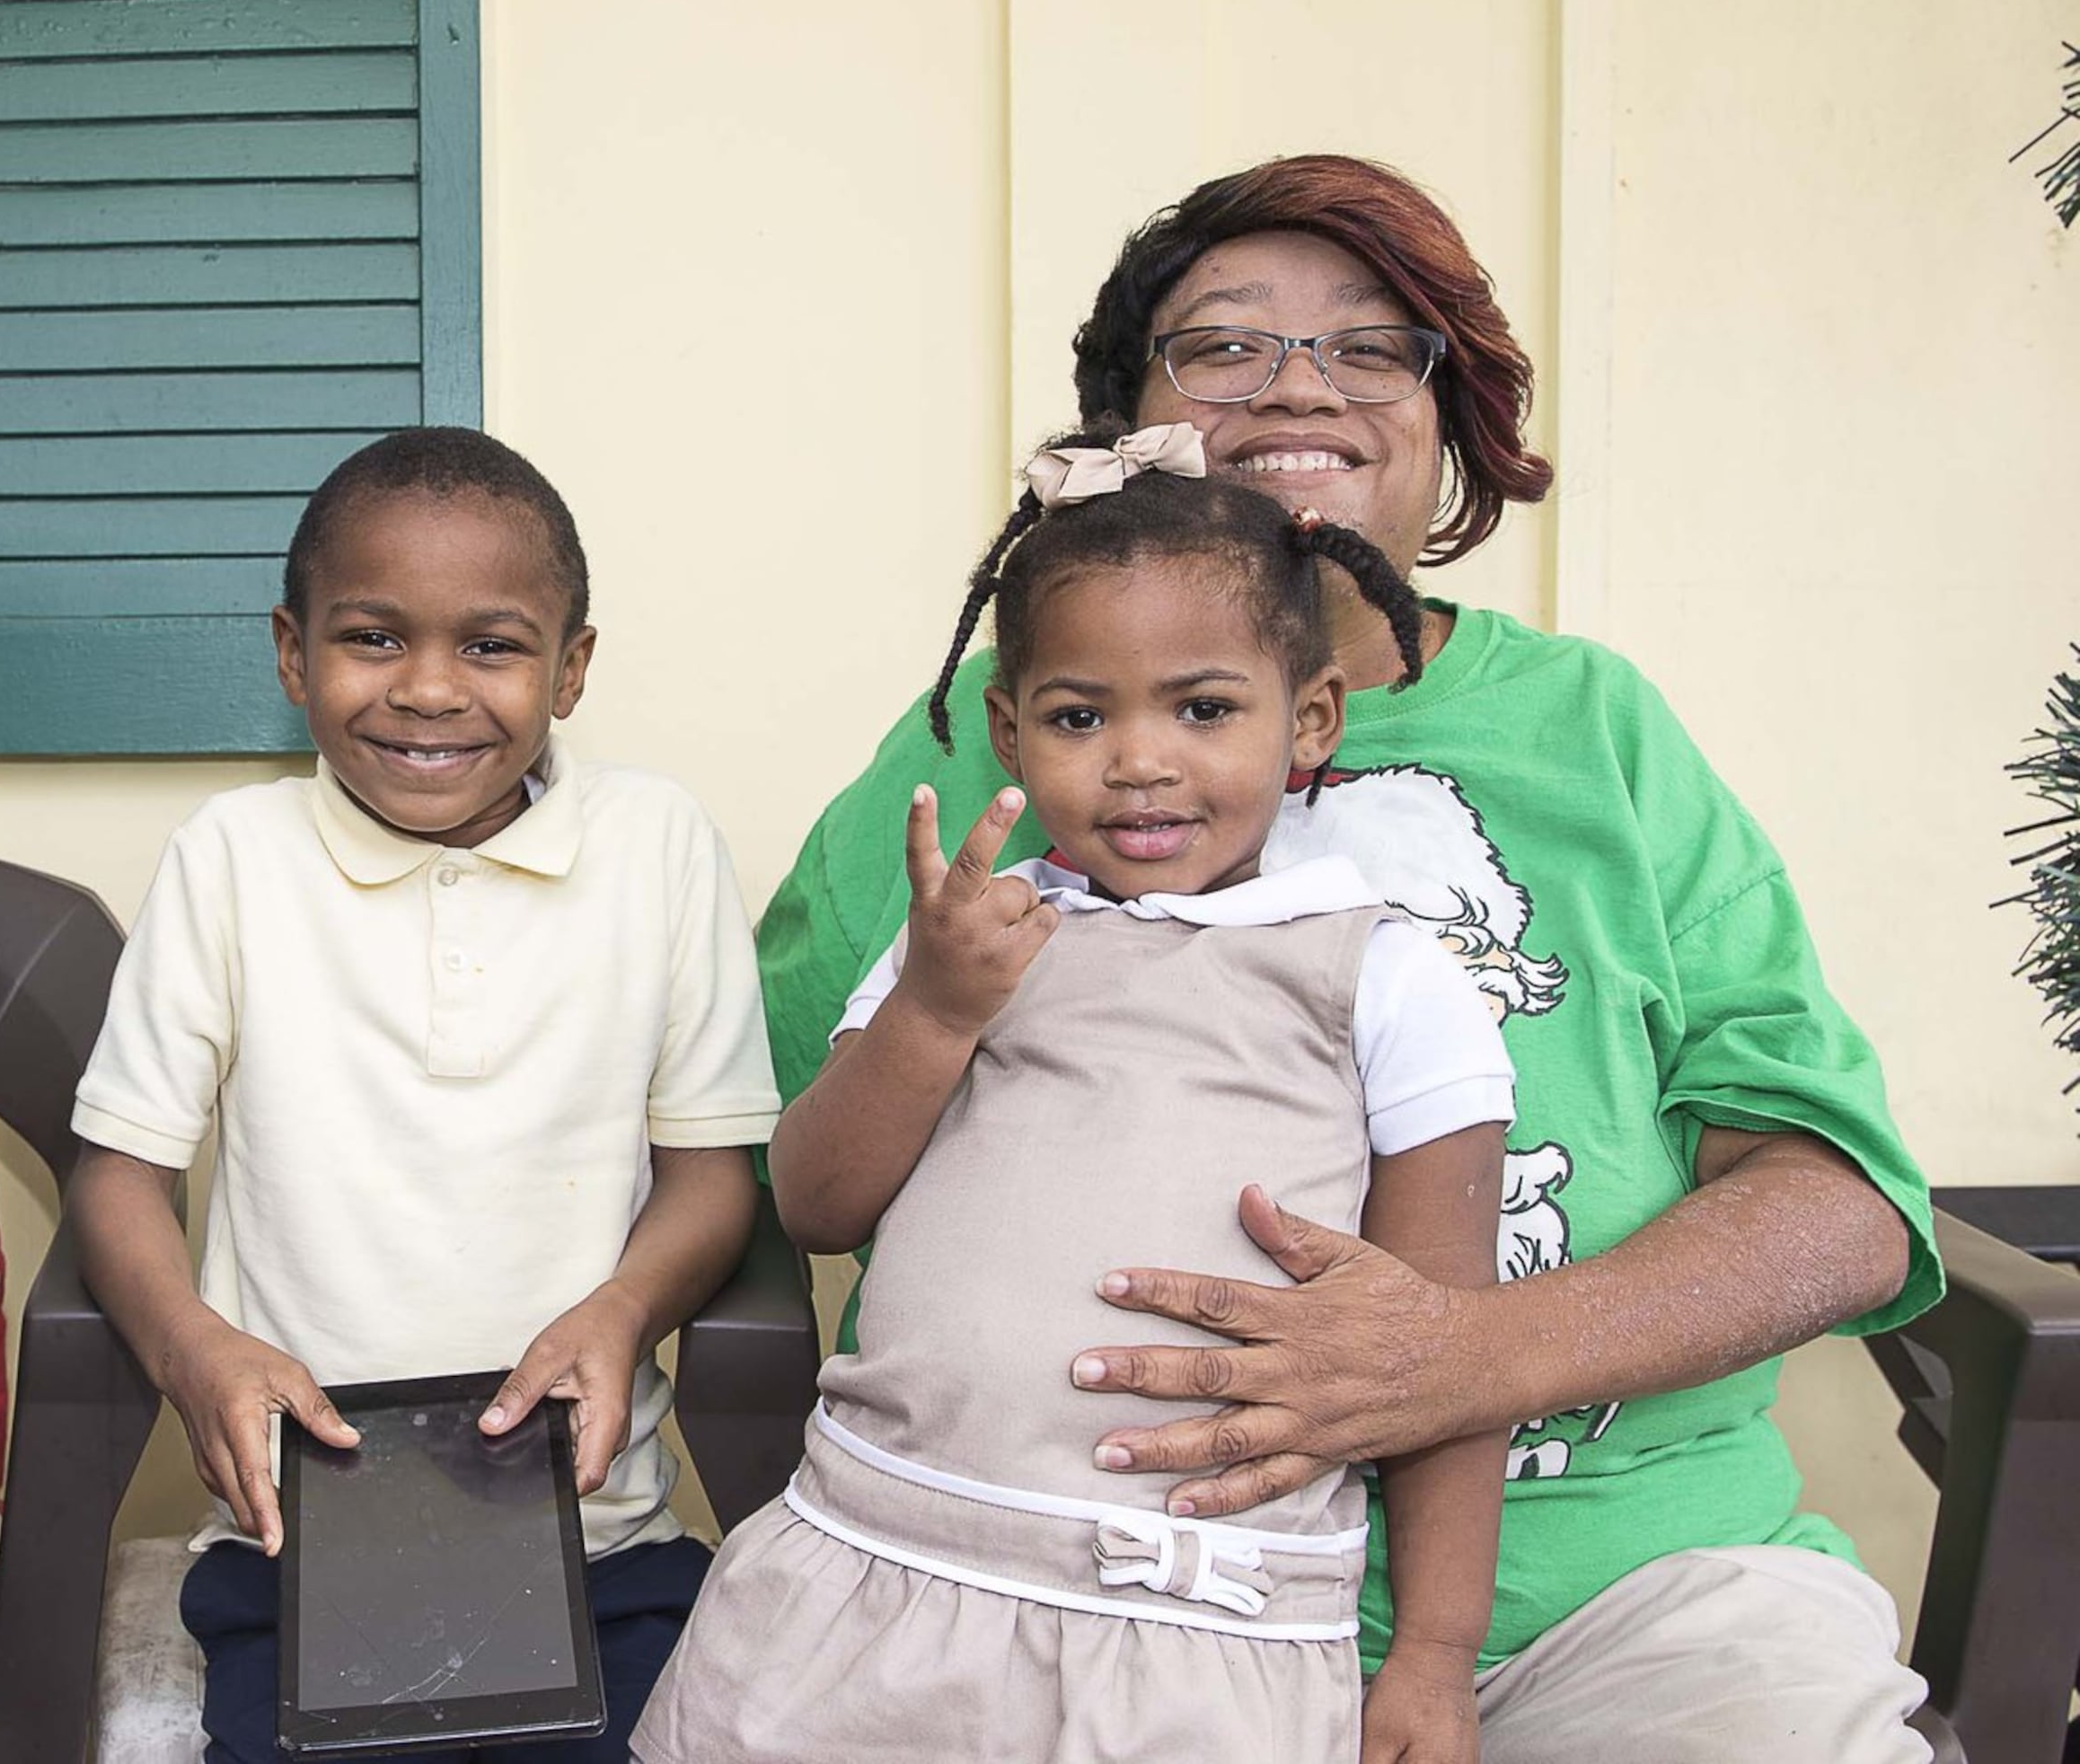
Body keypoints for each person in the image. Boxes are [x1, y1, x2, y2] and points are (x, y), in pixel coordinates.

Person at [758, 154, 1939, 1759]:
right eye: (1226, 344)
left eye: (1374, 348)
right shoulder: (979, 745)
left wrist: (1459, 1357)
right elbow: (793, 1160)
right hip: (1077, 1599)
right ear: (1132, 428)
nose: (1299, 383)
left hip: (1610, 1595)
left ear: (1444, 418)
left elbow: (1841, 1206)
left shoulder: (1598, 731)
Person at [639, 433, 1511, 1762]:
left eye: (1205, 710)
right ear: (1010, 728)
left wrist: (1435, 1659)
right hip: (878, 1567)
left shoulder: (1380, 975)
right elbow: (817, 1203)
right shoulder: (975, 936)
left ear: (1312, 720)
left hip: (1193, 1636)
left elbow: (1447, 1358)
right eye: (1079, 716)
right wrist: (934, 1007)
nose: (1140, 761)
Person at [66, 428, 777, 1763]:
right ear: (293, 654)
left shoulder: (658, 846)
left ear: (571, 670)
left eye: (494, 647)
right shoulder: (234, 861)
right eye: (374, 639)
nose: (430, 691)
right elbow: (118, 1175)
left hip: (599, 1542)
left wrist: (625, 1311)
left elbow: (710, 1177)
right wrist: (194, 1351)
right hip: (298, 1540)